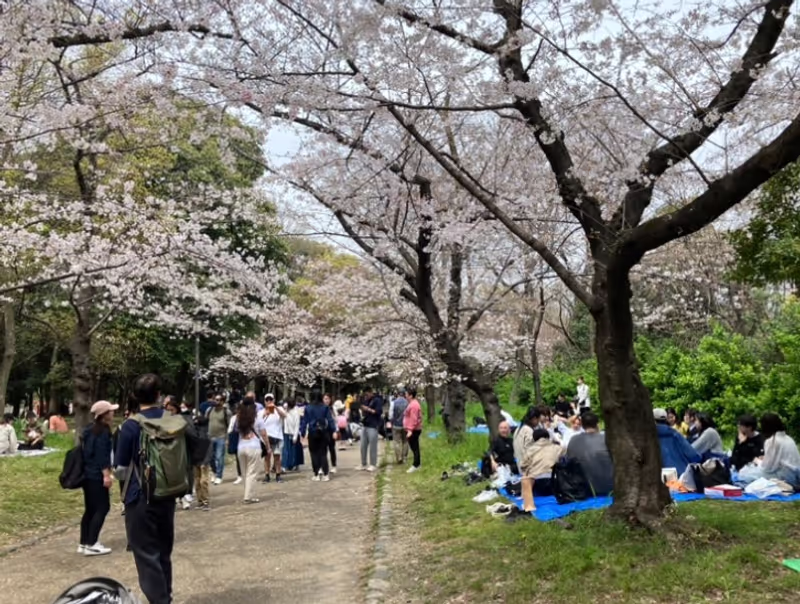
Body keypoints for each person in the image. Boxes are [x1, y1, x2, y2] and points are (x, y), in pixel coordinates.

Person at [115, 374, 207, 604]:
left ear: (135, 396)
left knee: (146, 554)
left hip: (140, 497)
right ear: (159, 395)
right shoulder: (175, 421)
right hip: (169, 493)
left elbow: (121, 469)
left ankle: (160, 601)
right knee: (164, 551)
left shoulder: (130, 426)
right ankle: (166, 595)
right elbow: (196, 450)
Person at [79, 400, 117, 556]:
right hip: (97, 475)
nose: (113, 413)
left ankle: (84, 542)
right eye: (111, 411)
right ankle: (92, 542)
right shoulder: (103, 431)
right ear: (104, 414)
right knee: (102, 507)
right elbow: (102, 455)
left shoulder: (89, 430)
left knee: (90, 509)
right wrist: (106, 475)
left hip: (87, 474)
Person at [566, 412, 614, 496]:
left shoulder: (573, 440)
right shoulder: (607, 439)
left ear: (582, 425)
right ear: (597, 424)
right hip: (609, 486)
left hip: (582, 489)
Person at [519, 428, 563, 513]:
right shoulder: (558, 448)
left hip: (537, 484)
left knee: (525, 478)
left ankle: (528, 503)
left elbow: (522, 466)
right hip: (556, 483)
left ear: (534, 438)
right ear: (547, 436)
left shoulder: (529, 450)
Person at [237, 398, 268, 503]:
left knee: (245, 473)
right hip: (253, 446)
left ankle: (248, 493)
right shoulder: (257, 418)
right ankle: (248, 496)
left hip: (241, 447)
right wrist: (267, 447)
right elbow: (263, 434)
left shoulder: (238, 419)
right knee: (252, 473)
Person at [300, 392, 336, 481]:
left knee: (314, 454)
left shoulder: (308, 408)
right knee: (323, 453)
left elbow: (305, 421)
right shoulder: (325, 407)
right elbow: (330, 419)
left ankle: (316, 474)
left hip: (312, 432)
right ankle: (326, 474)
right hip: (323, 432)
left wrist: (302, 433)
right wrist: (334, 430)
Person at [654, 408, 700, 476]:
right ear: (666, 419)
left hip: (658, 475)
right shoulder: (675, 434)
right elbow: (692, 454)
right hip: (680, 474)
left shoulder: (648, 437)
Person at [759, 412, 800, 488]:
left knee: (746, 474)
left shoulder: (772, 441)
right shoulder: (789, 439)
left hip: (784, 477)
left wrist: (759, 462)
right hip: (796, 476)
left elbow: (767, 468)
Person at [260, 394, 286, 483]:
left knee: (277, 457)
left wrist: (275, 408)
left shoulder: (279, 409)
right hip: (266, 438)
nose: (269, 401)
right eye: (267, 399)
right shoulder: (261, 411)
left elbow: (284, 415)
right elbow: (257, 423)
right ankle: (267, 475)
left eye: (270, 399)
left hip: (277, 436)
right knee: (267, 457)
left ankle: (278, 475)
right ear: (264, 401)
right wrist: (265, 414)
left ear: (274, 400)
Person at [356, 387, 383, 471]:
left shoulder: (377, 400)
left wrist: (367, 409)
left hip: (373, 425)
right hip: (365, 424)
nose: (366, 396)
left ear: (371, 392)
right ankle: (363, 463)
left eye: (367, 394)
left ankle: (373, 464)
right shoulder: (365, 400)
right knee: (363, 445)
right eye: (365, 395)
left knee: (372, 446)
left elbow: (378, 412)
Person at [207, 394, 231, 484]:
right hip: (210, 436)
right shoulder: (209, 410)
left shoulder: (226, 412)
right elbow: (205, 421)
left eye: (218, 400)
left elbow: (230, 426)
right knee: (210, 457)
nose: (216, 401)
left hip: (221, 437)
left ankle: (219, 476)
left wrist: (227, 438)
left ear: (222, 401)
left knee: (219, 457)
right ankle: (214, 471)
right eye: (215, 399)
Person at [403, 387, 423, 473]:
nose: (405, 395)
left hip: (413, 430)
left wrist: (410, 430)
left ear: (410, 395)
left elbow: (414, 419)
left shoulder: (414, 405)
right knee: (414, 447)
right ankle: (417, 464)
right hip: (412, 429)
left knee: (414, 447)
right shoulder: (412, 403)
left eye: (406, 394)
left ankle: (416, 465)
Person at [389, 389, 409, 464]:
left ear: (397, 394)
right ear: (404, 394)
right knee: (405, 441)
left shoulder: (393, 403)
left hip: (396, 425)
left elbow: (391, 415)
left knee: (396, 442)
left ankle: (399, 457)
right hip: (405, 425)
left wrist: (392, 421)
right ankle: (405, 458)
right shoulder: (407, 402)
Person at [282, 399, 301, 471]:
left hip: (293, 433)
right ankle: (284, 465)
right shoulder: (286, 410)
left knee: (294, 450)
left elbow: (297, 425)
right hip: (286, 432)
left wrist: (295, 436)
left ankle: (295, 464)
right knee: (285, 450)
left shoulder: (295, 412)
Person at [323, 393, 339, 473]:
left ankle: (334, 465)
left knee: (332, 449)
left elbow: (336, 420)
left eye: (328, 399)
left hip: (331, 431)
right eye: (325, 399)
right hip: (323, 431)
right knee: (323, 450)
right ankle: (324, 466)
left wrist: (335, 431)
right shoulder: (321, 408)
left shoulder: (333, 408)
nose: (326, 400)